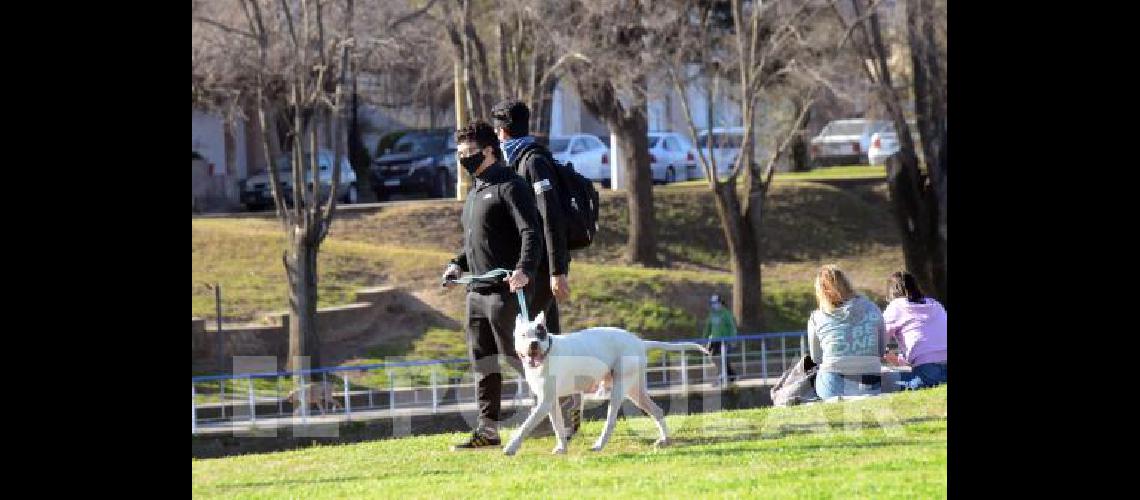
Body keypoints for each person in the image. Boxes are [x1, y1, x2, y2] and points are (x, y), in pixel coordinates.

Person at [442, 120, 540, 449]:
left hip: (505, 293)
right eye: (459, 153)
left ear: (488, 150)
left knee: (521, 358)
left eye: (467, 152)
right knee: (483, 361)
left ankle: (556, 413)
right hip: (476, 294)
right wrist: (458, 264)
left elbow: (531, 232)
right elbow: (476, 244)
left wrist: (524, 269)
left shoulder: (510, 186)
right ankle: (488, 430)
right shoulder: (476, 189)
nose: (462, 159)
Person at [491, 99, 580, 436]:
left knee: (542, 342)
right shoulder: (515, 160)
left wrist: (558, 270)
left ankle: (560, 414)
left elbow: (551, 219)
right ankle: (556, 414)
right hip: (528, 266)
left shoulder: (533, 162)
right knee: (542, 343)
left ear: (502, 130)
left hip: (540, 269)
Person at [806, 265, 886, 399]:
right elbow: (881, 350)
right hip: (870, 378)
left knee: (808, 368)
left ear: (821, 292)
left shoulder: (816, 317)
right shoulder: (873, 308)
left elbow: (816, 358)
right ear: (847, 284)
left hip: (833, 382)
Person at [881, 271, 947, 388]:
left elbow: (878, 341)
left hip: (927, 370)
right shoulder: (935, 304)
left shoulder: (896, 306)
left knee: (879, 381)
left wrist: (887, 354)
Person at [703, 294, 737, 386]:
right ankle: (731, 375)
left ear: (721, 303)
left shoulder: (726, 313)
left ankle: (723, 377)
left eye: (716, 303)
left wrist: (733, 340)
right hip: (714, 340)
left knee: (723, 358)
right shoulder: (712, 314)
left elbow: (732, 327)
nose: (714, 305)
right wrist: (705, 339)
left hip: (724, 340)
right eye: (713, 303)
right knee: (713, 357)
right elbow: (708, 327)